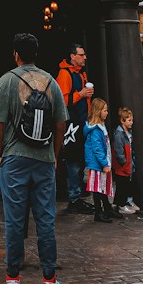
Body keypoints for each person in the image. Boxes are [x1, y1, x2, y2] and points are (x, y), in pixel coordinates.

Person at [0, 31, 67, 284]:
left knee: (14, 219)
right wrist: (54, 156)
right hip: (44, 159)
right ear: (36, 54)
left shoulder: (7, 81)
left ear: (16, 54)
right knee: (46, 219)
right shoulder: (51, 82)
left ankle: (13, 277)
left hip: (14, 158)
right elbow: (60, 125)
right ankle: (49, 280)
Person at [56, 44, 93, 212]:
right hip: (72, 125)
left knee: (80, 158)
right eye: (81, 54)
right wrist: (81, 94)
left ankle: (77, 193)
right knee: (73, 160)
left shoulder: (81, 73)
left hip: (82, 122)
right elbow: (61, 101)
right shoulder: (65, 74)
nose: (84, 57)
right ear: (72, 56)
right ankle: (73, 198)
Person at [84, 98, 116, 222]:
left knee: (101, 187)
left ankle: (106, 208)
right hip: (98, 164)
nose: (107, 113)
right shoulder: (96, 130)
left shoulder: (100, 127)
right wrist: (104, 163)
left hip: (101, 163)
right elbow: (97, 149)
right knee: (98, 188)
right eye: (105, 110)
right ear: (98, 112)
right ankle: (99, 212)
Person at [112, 106, 137, 214]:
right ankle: (120, 205)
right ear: (123, 121)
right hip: (122, 166)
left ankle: (122, 203)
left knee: (125, 185)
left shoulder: (127, 133)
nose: (131, 122)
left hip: (127, 165)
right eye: (129, 120)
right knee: (122, 186)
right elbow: (119, 151)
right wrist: (124, 162)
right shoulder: (119, 134)